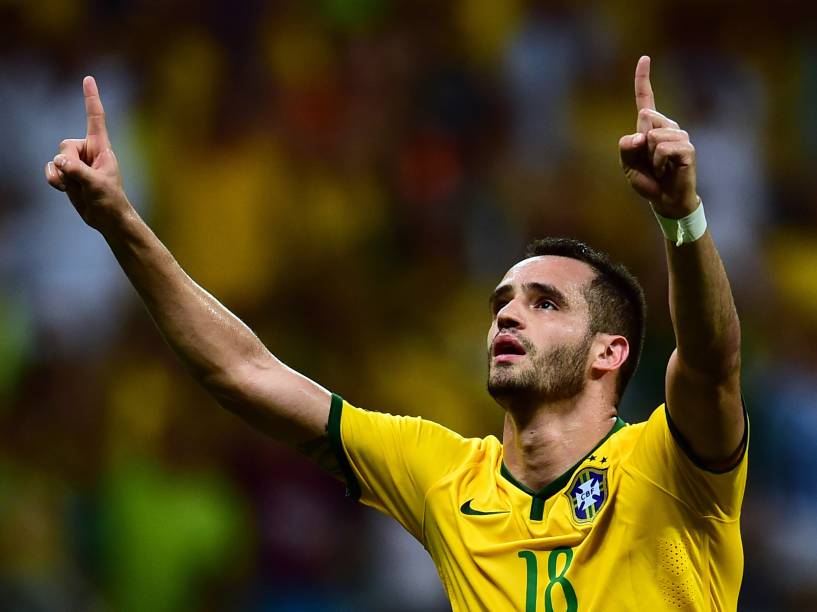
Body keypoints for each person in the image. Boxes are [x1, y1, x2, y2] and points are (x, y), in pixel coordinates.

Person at [45, 56, 746, 610]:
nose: (506, 313)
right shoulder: (446, 476)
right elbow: (243, 373)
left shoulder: (668, 468)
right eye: (502, 300)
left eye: (544, 303)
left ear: (609, 352)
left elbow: (712, 364)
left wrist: (680, 218)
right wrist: (119, 223)